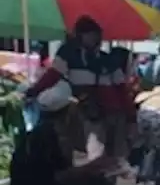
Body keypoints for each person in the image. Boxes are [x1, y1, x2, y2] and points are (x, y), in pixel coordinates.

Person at [25, 16, 133, 170]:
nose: (95, 38)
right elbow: (52, 76)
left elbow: (122, 90)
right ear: (80, 35)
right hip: (91, 115)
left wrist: (131, 118)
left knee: (117, 160)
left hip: (114, 115)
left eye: (96, 34)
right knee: (96, 160)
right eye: (90, 34)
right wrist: (33, 91)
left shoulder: (108, 59)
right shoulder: (69, 55)